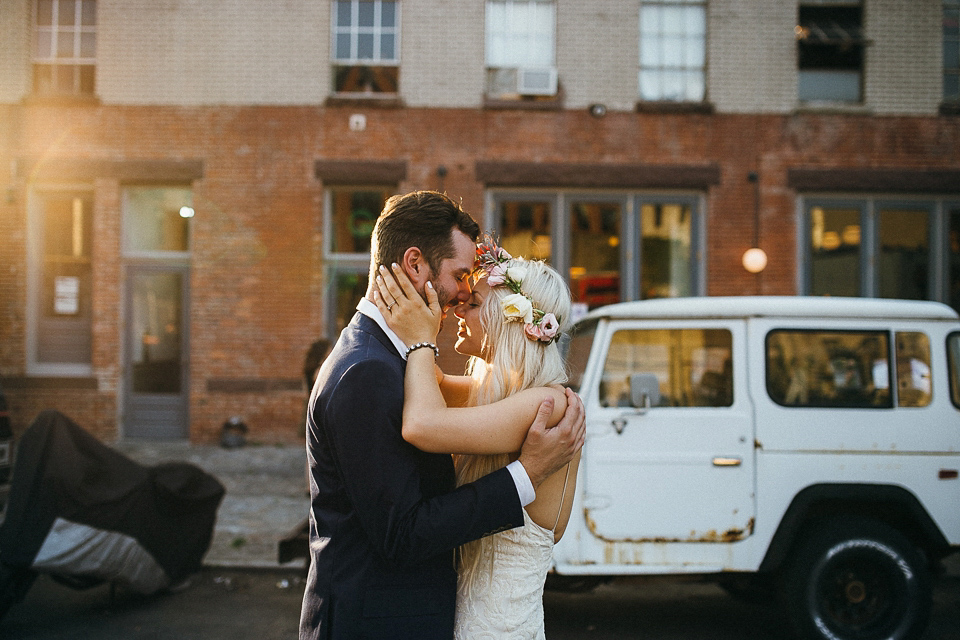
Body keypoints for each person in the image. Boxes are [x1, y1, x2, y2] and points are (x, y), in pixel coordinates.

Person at [299, 191, 585, 640]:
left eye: (474, 297)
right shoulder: (367, 369)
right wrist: (527, 473)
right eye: (459, 278)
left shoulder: (533, 401)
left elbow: (425, 409)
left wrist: (417, 338)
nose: (461, 298)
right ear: (415, 265)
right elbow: (404, 529)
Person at [373, 237, 580, 639]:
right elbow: (427, 380)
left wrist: (421, 339)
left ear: (511, 317)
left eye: (473, 302)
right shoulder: (501, 394)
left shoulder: (545, 405)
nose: (458, 309)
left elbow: (421, 424)